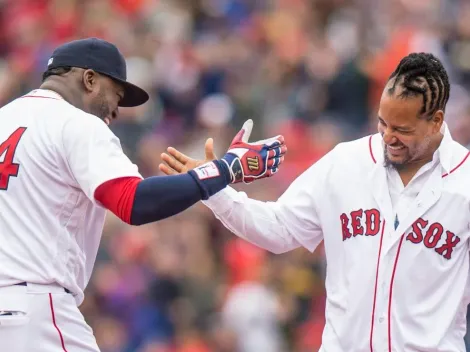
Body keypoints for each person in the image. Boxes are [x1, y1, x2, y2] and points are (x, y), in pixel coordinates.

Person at [159, 52, 470, 351]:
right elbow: (279, 229)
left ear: (435, 121)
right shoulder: (346, 162)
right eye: (382, 123)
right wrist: (214, 188)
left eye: (402, 129)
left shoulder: (464, 182)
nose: (387, 137)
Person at [0, 37, 286, 351]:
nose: (115, 111)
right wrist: (226, 168)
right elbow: (133, 202)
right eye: (116, 95)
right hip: (34, 308)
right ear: (89, 79)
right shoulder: (76, 123)